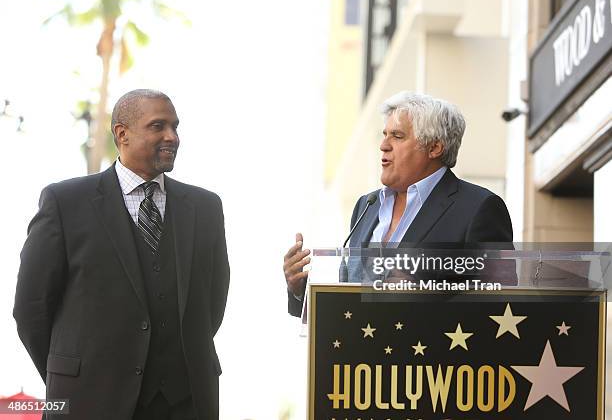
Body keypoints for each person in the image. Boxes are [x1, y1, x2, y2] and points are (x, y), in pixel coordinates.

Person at [14, 89, 230, 419]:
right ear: (122, 134)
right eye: (158, 126)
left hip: (185, 403)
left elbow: (212, 305)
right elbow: (31, 309)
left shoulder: (206, 207)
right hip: (90, 402)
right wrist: (74, 376)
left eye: (175, 126)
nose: (172, 136)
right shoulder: (65, 203)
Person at [283, 91, 514, 316]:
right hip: (360, 352)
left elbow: (501, 302)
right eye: (384, 135)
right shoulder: (367, 206)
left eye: (397, 136)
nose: (384, 145)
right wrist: (299, 290)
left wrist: (423, 297)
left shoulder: (479, 208)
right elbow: (350, 296)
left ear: (434, 148)